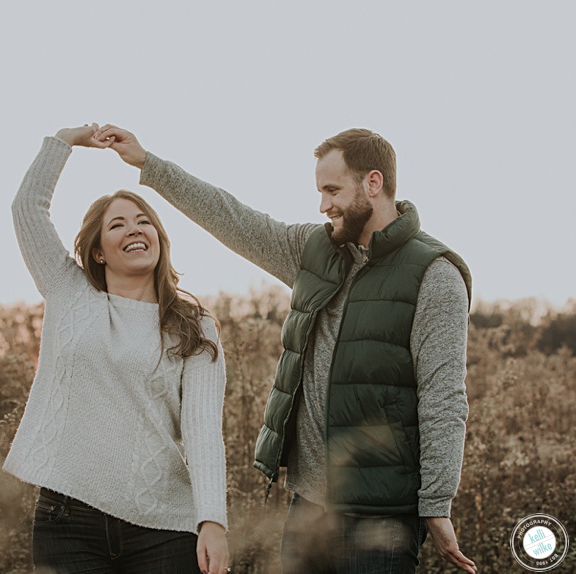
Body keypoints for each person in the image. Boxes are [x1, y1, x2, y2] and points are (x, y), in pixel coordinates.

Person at [91, 124, 478, 574]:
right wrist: (148, 164)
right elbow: (232, 217)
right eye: (320, 191)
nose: (323, 205)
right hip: (307, 506)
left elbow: (443, 396)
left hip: (381, 517)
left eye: (332, 189)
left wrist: (436, 502)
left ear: (374, 183)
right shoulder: (314, 250)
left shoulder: (435, 275)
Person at [3, 124, 231, 574]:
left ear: (160, 240)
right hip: (67, 522)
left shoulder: (193, 325)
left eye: (144, 221)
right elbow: (27, 208)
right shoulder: (69, 294)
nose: (135, 229)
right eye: (119, 224)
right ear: (99, 251)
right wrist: (64, 141)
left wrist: (212, 522)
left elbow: (204, 431)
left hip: (163, 527)